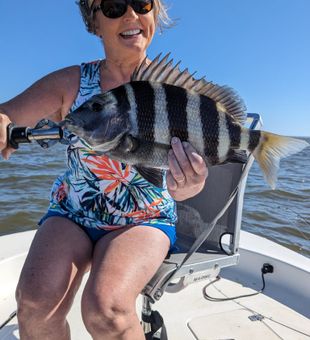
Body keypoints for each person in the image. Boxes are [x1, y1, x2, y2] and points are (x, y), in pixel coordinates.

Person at [0, 0, 208, 339]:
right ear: (94, 22)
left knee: (106, 310)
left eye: (142, 3)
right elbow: (6, 112)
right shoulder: (71, 83)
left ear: (155, 13)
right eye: (113, 6)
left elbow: (185, 187)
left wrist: (189, 184)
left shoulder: (178, 94)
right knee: (34, 304)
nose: (131, 15)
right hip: (74, 213)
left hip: (146, 218)